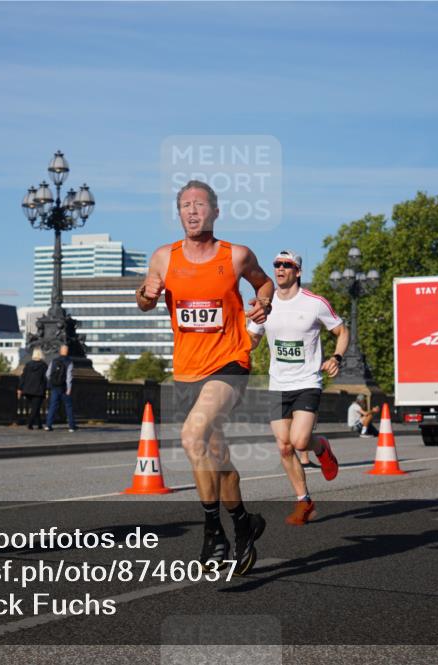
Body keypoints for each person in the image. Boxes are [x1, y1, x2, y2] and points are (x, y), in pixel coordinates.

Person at [137, 180, 272, 574]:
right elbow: (145, 301)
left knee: (192, 436)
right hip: (187, 369)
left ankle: (213, 533)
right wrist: (145, 293)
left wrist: (262, 304)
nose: (192, 211)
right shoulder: (164, 257)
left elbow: (264, 283)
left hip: (230, 363)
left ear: (215, 211)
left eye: (199, 205)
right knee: (215, 456)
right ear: (178, 214)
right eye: (185, 206)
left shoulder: (236, 256)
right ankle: (244, 522)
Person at [247, 250, 348, 525]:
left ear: (298, 271)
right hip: (278, 383)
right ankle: (304, 501)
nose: (280, 268)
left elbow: (341, 331)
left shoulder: (315, 303)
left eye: (287, 265)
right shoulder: (265, 306)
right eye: (277, 264)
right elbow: (252, 340)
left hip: (307, 382)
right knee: (284, 447)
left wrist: (336, 357)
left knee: (300, 441)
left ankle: (321, 447)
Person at [44, 345, 76, 432]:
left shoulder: (54, 361)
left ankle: (48, 425)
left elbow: (47, 374)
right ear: (67, 351)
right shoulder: (69, 362)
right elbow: (69, 377)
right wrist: (69, 388)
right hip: (64, 387)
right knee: (68, 406)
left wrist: (52, 382)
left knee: (52, 406)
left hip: (55, 387)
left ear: (60, 351)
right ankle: (71, 426)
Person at [18, 348, 48, 430]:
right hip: (38, 390)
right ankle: (30, 423)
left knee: (35, 407)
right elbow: (45, 379)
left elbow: (23, 377)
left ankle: (39, 424)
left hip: (27, 390)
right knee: (35, 408)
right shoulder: (43, 365)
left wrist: (20, 388)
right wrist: (46, 389)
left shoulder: (28, 364)